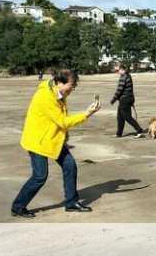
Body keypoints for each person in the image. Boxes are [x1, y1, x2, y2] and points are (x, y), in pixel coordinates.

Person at [11, 69, 101, 218]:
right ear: (60, 82)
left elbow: (60, 119)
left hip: (53, 139)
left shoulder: (58, 92)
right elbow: (63, 121)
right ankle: (18, 206)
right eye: (71, 85)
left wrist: (65, 137)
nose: (72, 89)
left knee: (70, 166)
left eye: (74, 86)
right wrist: (87, 114)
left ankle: (71, 203)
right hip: (38, 141)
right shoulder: (46, 97)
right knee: (40, 176)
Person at [110, 64, 145, 138]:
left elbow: (119, 90)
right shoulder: (128, 76)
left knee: (127, 117)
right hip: (128, 99)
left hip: (125, 99)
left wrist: (113, 100)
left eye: (118, 70)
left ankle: (139, 130)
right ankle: (119, 133)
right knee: (120, 117)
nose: (118, 72)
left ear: (122, 70)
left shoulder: (124, 77)